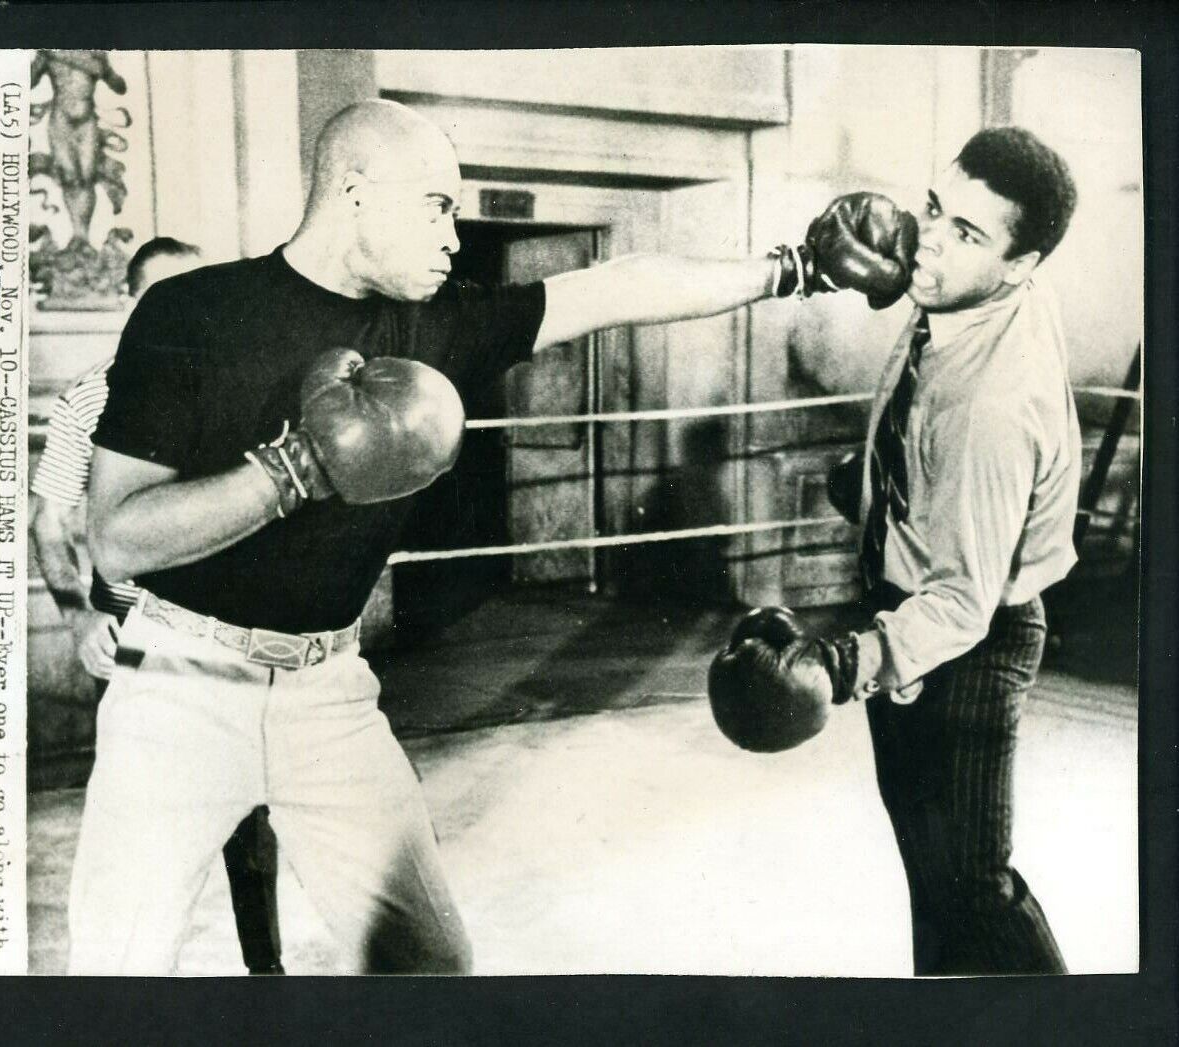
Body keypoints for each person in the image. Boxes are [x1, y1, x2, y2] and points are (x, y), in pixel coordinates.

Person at [69, 97, 916, 974]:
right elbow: (120, 538)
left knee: (432, 971)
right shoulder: (191, 312)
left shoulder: (438, 326)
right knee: (114, 974)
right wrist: (291, 472)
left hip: (328, 694)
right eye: (437, 205)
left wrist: (796, 268)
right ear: (355, 189)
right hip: (179, 689)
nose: (454, 232)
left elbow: (617, 287)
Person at [710, 126, 1080, 975]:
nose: (931, 244)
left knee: (973, 888)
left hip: (965, 642)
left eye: (968, 235)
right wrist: (879, 474)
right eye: (936, 208)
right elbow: (932, 372)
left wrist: (841, 665)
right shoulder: (978, 290)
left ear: (1022, 265)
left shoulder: (991, 408)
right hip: (919, 594)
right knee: (933, 875)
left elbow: (961, 600)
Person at [31, 236, 286, 975]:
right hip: (135, 637)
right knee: (144, 832)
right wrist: (79, 613)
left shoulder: (243, 383)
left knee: (251, 815)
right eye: (163, 297)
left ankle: (265, 971)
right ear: (133, 305)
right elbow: (48, 519)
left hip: (232, 632)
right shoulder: (91, 395)